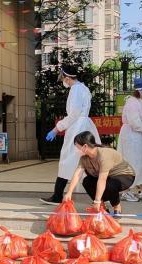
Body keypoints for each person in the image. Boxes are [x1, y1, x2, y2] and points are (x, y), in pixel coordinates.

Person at [41, 65, 100, 205]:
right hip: (85, 126)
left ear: (67, 78)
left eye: (63, 78)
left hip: (77, 128)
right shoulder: (84, 88)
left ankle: (57, 196)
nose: (63, 81)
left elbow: (73, 114)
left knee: (67, 161)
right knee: (89, 162)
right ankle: (100, 197)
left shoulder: (75, 90)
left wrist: (57, 128)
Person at [63, 131, 135, 215]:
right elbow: (77, 174)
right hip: (108, 177)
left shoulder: (103, 155)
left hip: (125, 176)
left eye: (77, 147)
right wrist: (69, 193)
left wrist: (96, 201)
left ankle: (116, 205)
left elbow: (102, 180)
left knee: (109, 185)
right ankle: (102, 206)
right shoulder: (84, 158)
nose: (76, 150)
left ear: (85, 146)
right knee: (87, 181)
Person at [116, 78, 142, 202]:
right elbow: (135, 123)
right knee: (132, 163)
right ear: (141, 89)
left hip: (138, 135)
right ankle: (125, 191)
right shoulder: (132, 102)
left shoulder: (140, 101)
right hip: (131, 136)